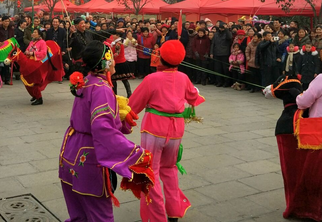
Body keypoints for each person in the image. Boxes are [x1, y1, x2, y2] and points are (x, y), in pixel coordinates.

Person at [59, 41, 153, 222]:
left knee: (79, 214)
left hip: (71, 153)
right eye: (112, 58)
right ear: (106, 62)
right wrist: (134, 154)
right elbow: (102, 128)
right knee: (101, 216)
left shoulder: (86, 82)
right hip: (89, 157)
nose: (115, 61)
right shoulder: (101, 89)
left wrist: (118, 117)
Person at [129, 40, 205, 222]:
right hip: (176, 131)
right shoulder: (183, 77)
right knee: (170, 169)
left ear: (160, 57)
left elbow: (133, 105)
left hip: (154, 128)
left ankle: (157, 216)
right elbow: (194, 97)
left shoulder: (152, 79)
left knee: (151, 171)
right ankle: (174, 212)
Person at [211, 22, 233, 87]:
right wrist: (211, 52)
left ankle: (226, 82)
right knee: (218, 69)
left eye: (222, 28)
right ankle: (219, 81)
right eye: (220, 28)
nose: (221, 29)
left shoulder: (227, 33)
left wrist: (226, 29)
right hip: (216, 53)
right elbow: (213, 44)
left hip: (225, 53)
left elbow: (229, 38)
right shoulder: (216, 34)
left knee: (225, 69)